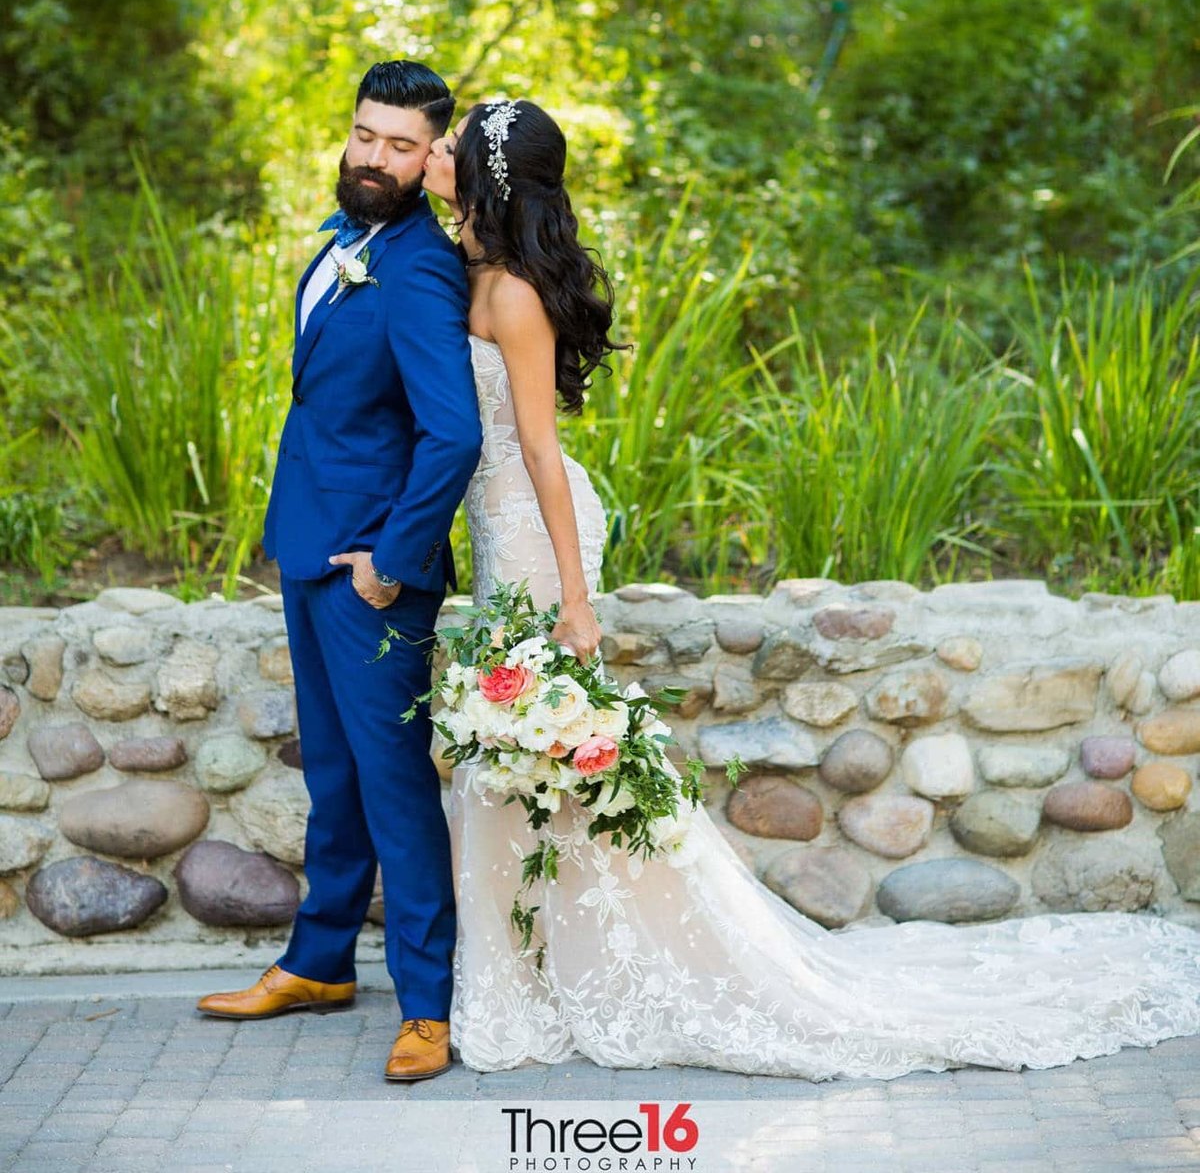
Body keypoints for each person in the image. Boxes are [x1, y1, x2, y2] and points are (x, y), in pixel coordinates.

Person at [423, 95, 1200, 1080]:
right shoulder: (471, 267)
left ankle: (557, 972)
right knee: (532, 754)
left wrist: (576, 598)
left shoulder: (515, 297)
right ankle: (543, 961)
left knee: (531, 745)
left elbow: (538, 445)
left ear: (489, 174)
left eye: (454, 144)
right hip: (501, 526)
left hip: (536, 533)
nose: (438, 153)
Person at [196, 60, 483, 1085]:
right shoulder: (344, 241)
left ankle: (428, 1008)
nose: (374, 156)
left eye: (401, 145)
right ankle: (320, 963)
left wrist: (395, 561)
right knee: (334, 775)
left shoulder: (416, 265)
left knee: (397, 788)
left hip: (373, 571)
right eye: (366, 135)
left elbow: (452, 434)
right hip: (311, 546)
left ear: (430, 159)